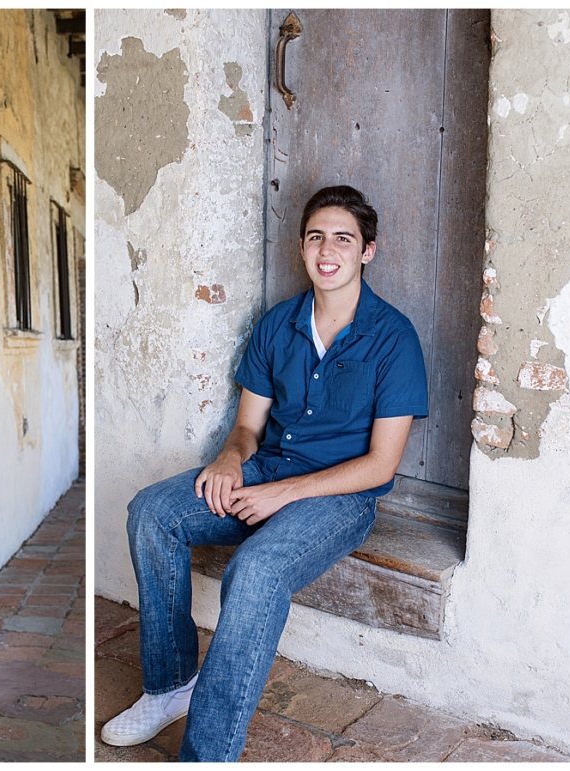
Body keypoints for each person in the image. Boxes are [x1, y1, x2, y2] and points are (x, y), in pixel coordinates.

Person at [101, 186, 428, 761]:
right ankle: (170, 686)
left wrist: (282, 494)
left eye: (343, 238)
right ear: (303, 247)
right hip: (267, 469)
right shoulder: (279, 325)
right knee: (152, 513)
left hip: (339, 495)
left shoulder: (394, 338)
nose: (327, 250)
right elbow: (247, 429)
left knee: (255, 571)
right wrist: (231, 458)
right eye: (316, 237)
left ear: (367, 251)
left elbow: (381, 464)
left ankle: (209, 753)